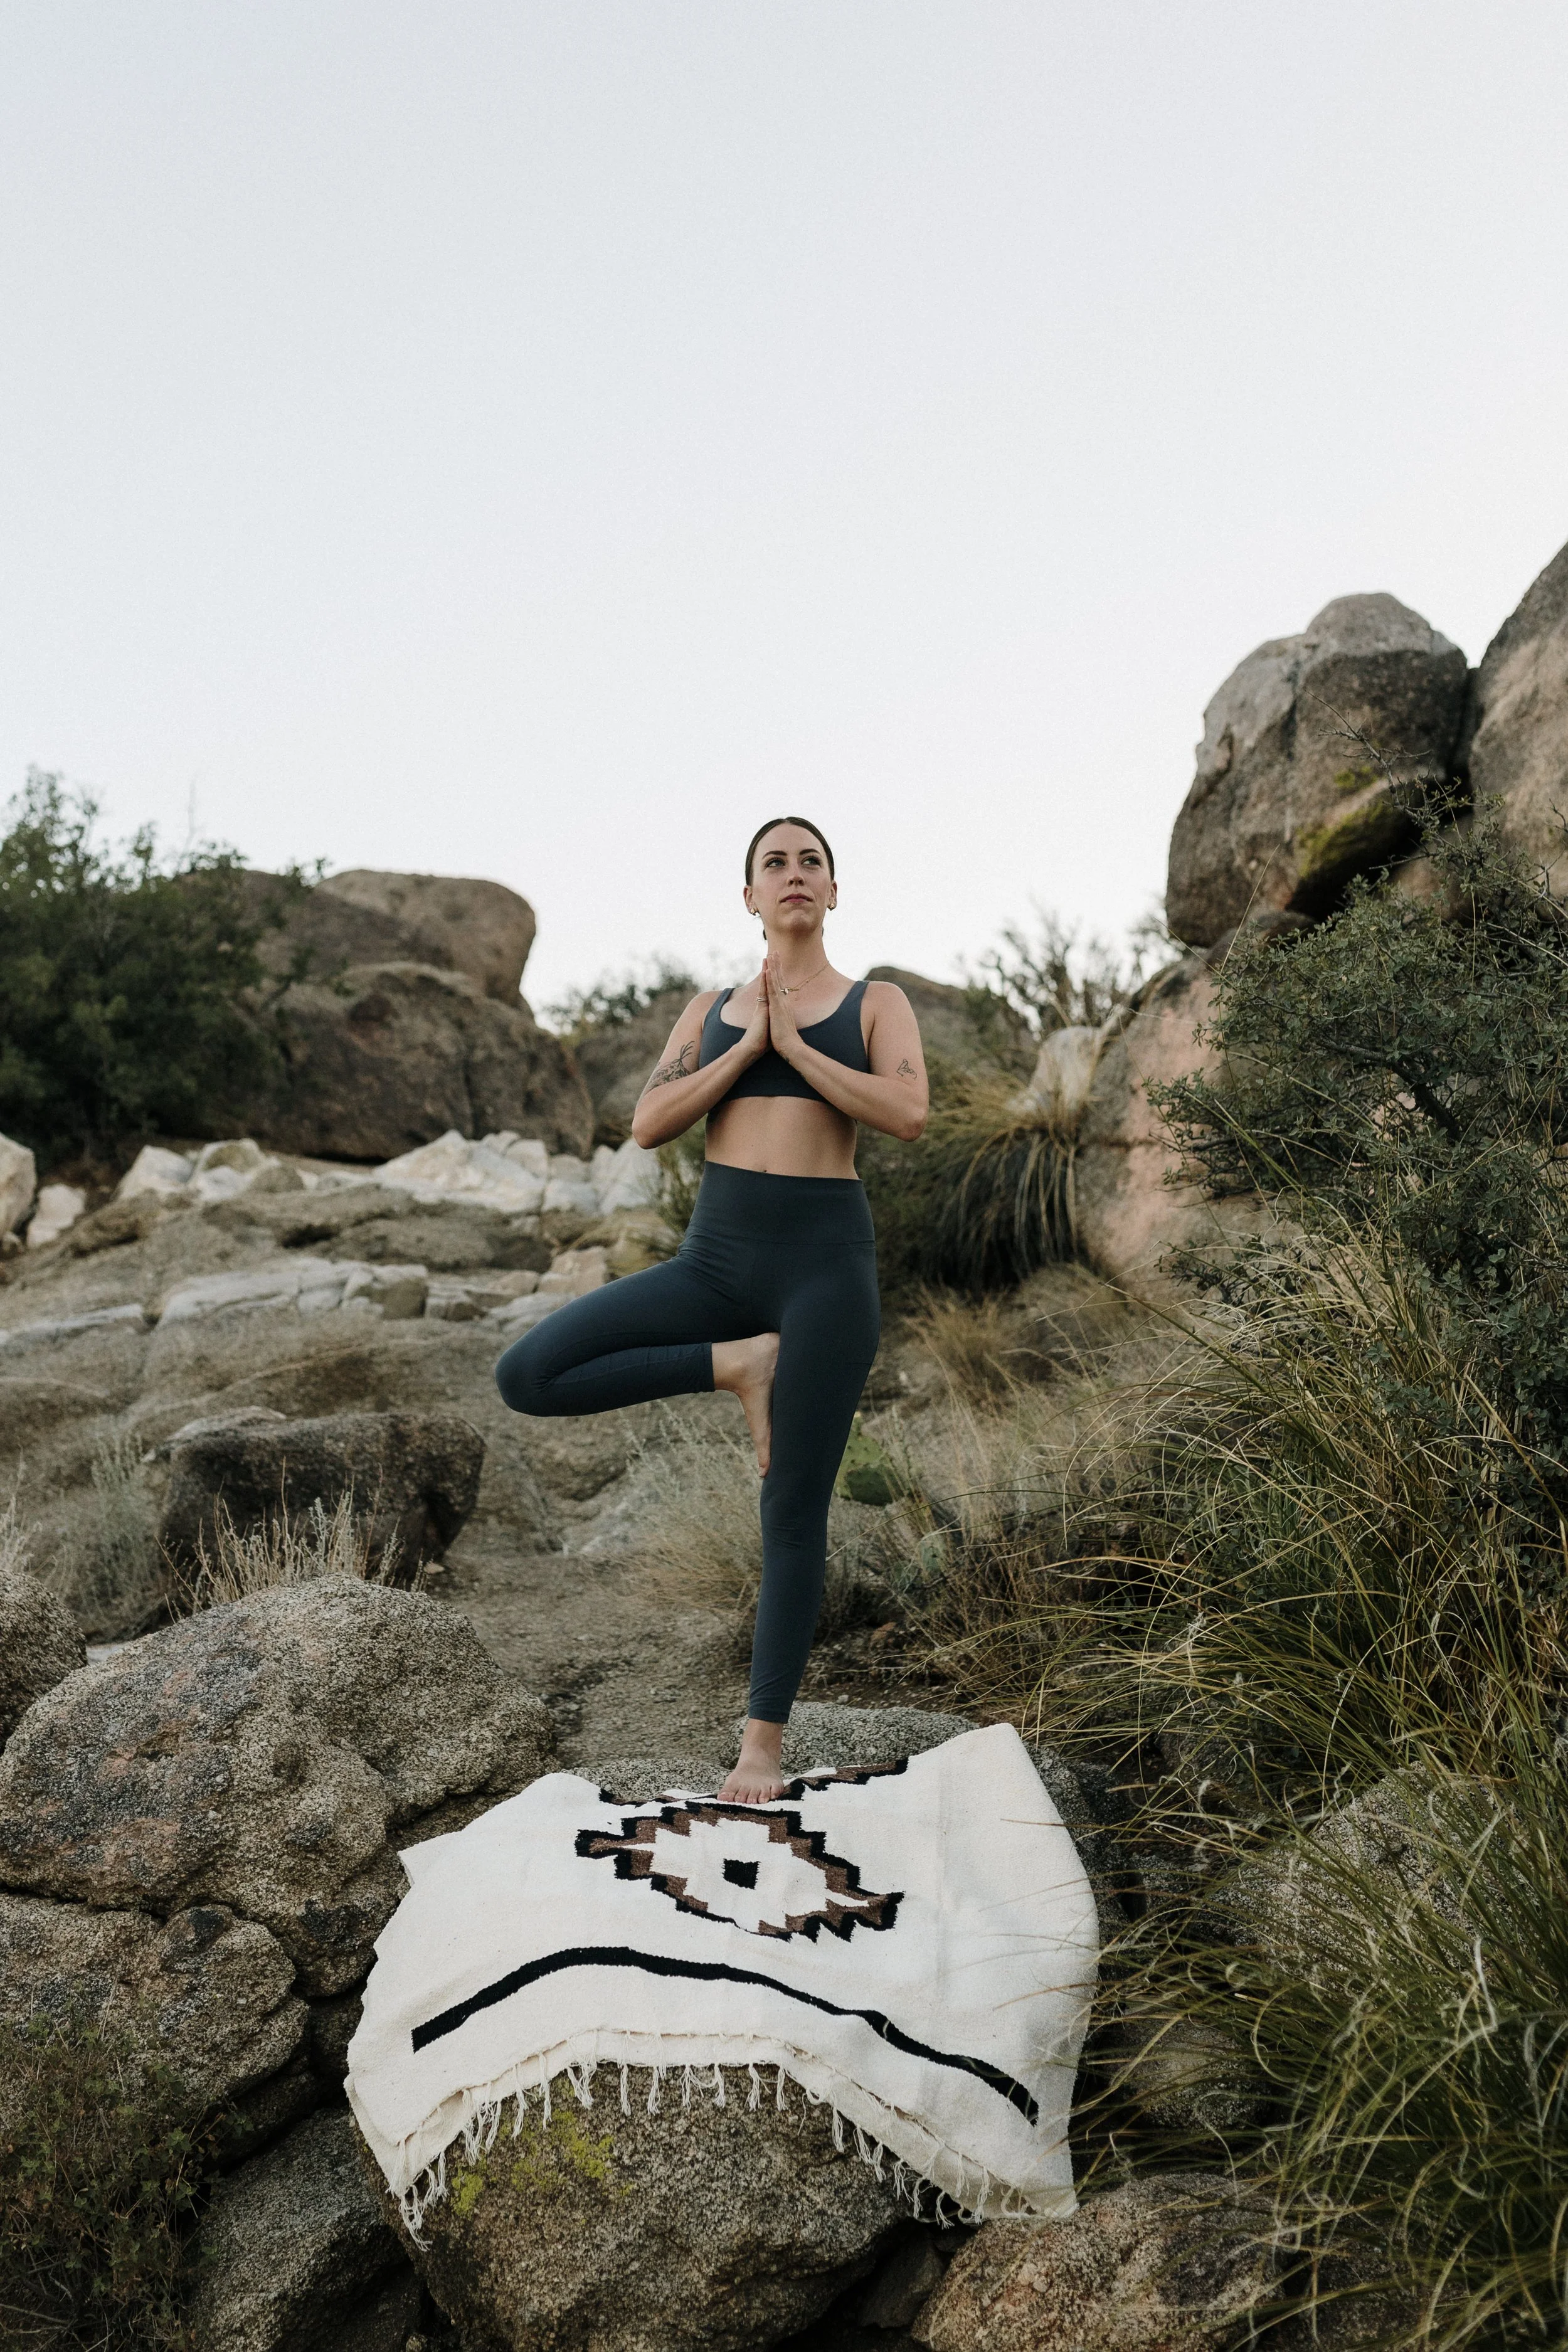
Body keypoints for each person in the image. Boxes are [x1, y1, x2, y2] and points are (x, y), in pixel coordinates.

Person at [495, 817, 928, 1802]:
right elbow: (649, 1123)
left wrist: (796, 1048)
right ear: (749, 897)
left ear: (832, 891)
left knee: (792, 1510)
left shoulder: (876, 1003)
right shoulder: (707, 1010)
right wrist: (746, 1048)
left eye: (811, 861)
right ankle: (736, 1365)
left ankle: (761, 1746)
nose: (794, 874)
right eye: (774, 863)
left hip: (827, 1269)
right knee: (527, 1373)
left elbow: (906, 1113)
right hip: (716, 1265)